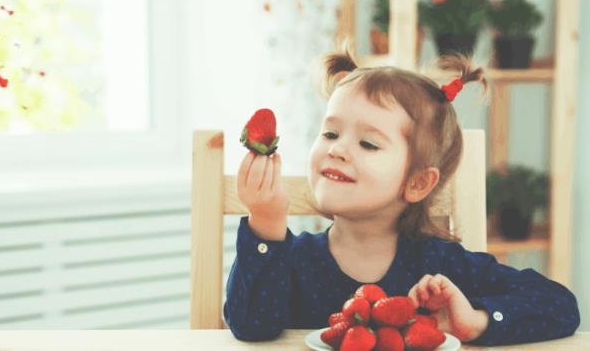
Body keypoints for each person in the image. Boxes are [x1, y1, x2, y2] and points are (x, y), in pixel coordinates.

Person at [223, 48, 580, 346]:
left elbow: (561, 305)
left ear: (417, 183)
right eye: (330, 133)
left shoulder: (442, 265)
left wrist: (475, 320)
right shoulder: (293, 259)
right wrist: (266, 224)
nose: (338, 150)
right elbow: (251, 327)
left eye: (368, 143)